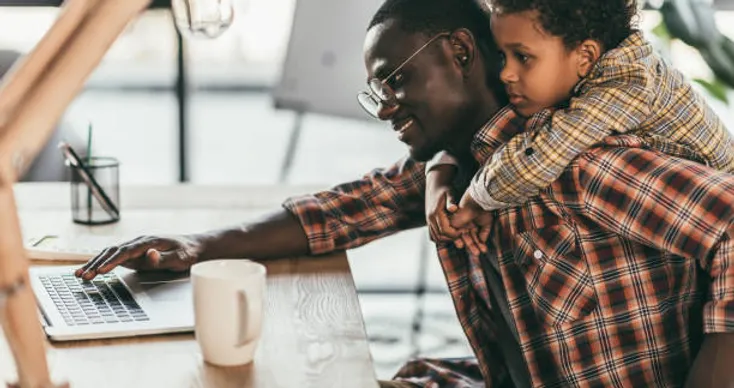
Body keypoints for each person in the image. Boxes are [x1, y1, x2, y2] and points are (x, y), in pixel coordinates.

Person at [75, 0, 734, 386]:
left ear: (458, 52)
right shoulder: (450, 167)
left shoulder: (580, 164)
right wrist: (193, 246)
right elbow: (339, 212)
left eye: (393, 81)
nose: (384, 108)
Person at [424, 0, 734, 242]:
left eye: (523, 57)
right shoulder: (598, 71)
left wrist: (477, 199)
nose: (505, 73)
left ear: (585, 57)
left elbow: (542, 154)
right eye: (503, 57)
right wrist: (438, 169)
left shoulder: (625, 85)